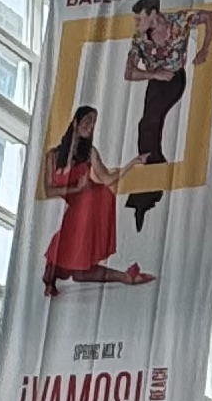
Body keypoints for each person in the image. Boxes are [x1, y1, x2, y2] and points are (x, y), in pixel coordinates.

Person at [117, 0, 212, 225]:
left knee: (151, 121)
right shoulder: (140, 39)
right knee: (146, 125)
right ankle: (147, 187)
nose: (137, 23)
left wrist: (205, 48)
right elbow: (129, 72)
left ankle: (156, 171)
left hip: (174, 80)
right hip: (156, 81)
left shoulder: (179, 21)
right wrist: (153, 74)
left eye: (140, 18)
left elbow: (210, 17)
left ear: (153, 14)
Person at [39, 104, 152, 297]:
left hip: (94, 202)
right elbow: (49, 190)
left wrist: (133, 163)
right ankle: (125, 277)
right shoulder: (53, 156)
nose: (90, 127)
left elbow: (107, 179)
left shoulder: (90, 152)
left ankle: (124, 278)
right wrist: (76, 189)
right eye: (87, 121)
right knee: (73, 260)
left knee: (71, 254)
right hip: (79, 204)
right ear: (75, 122)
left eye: (93, 124)